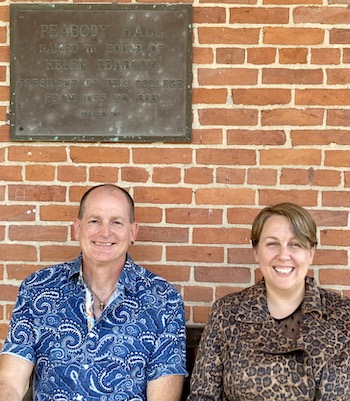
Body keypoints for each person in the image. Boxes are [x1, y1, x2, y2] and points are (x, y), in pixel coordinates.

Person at [0, 184, 187, 401]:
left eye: (116, 222)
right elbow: (9, 382)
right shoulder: (38, 288)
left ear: (133, 232)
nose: (105, 232)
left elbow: (163, 396)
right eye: (94, 221)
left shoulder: (164, 300)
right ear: (77, 228)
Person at [187, 202, 350, 401]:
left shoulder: (344, 316)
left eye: (295, 244)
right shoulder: (227, 313)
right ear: (256, 251)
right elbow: (203, 396)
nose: (283, 255)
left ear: (311, 252)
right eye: (272, 244)